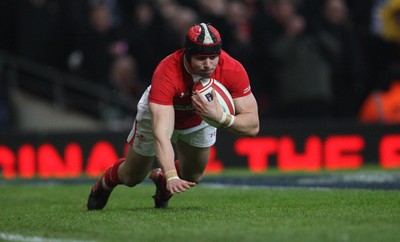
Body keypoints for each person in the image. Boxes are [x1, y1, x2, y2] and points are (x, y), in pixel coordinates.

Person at [87, 23, 260, 210]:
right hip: (161, 113)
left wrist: (221, 117)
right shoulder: (167, 72)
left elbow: (253, 126)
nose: (208, 64)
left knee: (193, 175)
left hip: (201, 115)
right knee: (132, 177)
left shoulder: (232, 69)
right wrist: (171, 175)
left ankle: (161, 182)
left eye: (213, 57)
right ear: (187, 53)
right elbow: (162, 133)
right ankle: (105, 183)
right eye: (201, 58)